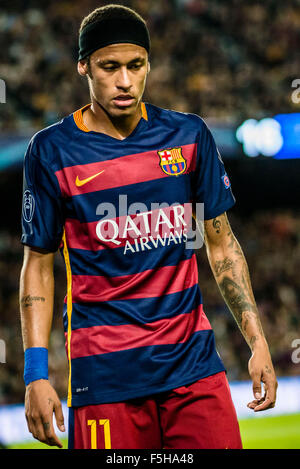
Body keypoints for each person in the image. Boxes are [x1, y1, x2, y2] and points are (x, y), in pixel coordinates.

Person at [19, 4, 277, 450]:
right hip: (106, 377)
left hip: (193, 369)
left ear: (149, 65)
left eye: (136, 66)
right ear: (84, 66)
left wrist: (257, 342)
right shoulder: (51, 152)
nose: (124, 81)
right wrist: (36, 374)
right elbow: (37, 264)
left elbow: (222, 245)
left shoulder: (189, 136)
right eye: (109, 67)